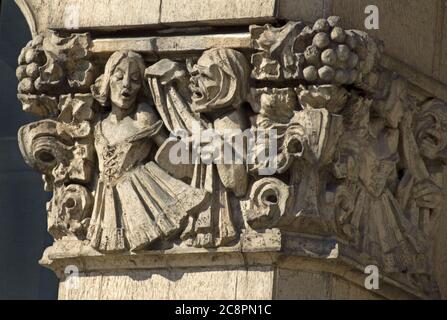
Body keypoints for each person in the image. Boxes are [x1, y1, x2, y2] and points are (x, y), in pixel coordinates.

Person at [87, 50, 206, 253]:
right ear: (108, 80)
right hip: (105, 200)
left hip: (141, 191)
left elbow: (173, 152)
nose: (126, 85)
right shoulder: (98, 124)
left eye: (134, 80)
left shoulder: (143, 116)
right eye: (119, 76)